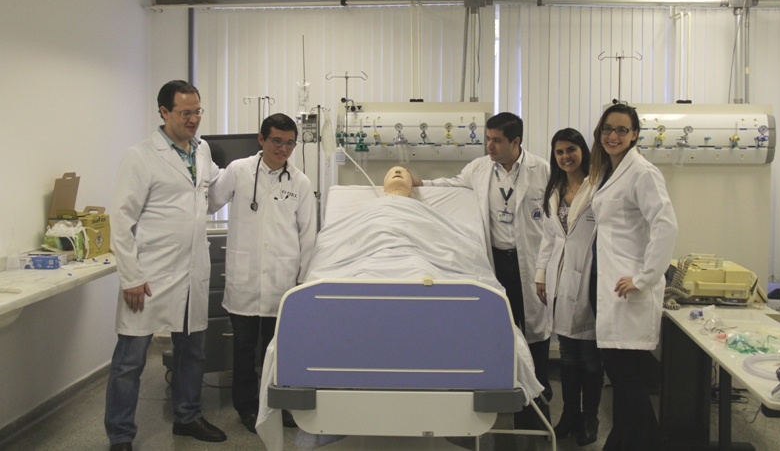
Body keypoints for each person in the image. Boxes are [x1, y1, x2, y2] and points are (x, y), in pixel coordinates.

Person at [254, 166, 545, 451]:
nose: (397, 172)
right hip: (365, 262)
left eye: (403, 171)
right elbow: (336, 243)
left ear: (413, 183)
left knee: (422, 271)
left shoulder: (432, 216)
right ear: (381, 185)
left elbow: (458, 245)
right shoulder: (363, 214)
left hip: (425, 262)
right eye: (392, 171)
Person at [105, 80, 225, 451]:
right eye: (185, 112)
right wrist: (132, 277)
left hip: (192, 271)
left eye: (197, 111)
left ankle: (187, 417)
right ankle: (121, 436)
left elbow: (214, 194)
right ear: (164, 112)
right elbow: (121, 220)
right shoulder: (140, 156)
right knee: (130, 360)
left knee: (193, 351)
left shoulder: (202, 151)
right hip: (150, 275)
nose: (193, 119)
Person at [412, 112, 552, 426]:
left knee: (536, 333)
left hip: (530, 264)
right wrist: (422, 185)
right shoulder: (479, 168)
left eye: (497, 140)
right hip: (496, 262)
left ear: (516, 142)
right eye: (487, 138)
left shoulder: (541, 170)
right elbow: (452, 186)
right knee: (502, 330)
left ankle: (538, 401)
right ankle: (508, 397)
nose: (489, 145)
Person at [208, 113, 316, 433]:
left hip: (282, 284)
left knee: (277, 352)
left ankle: (278, 406)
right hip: (244, 280)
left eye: (289, 143)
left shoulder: (300, 182)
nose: (283, 149)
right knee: (243, 350)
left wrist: (303, 283)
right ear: (261, 139)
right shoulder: (238, 171)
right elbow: (210, 201)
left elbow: (307, 235)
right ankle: (246, 406)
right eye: (277, 141)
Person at [588, 103, 678, 451]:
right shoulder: (610, 171)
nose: (613, 136)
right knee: (626, 381)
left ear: (635, 134)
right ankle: (621, 442)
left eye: (622, 130)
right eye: (607, 129)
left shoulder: (642, 172)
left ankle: (649, 442)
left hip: (629, 289)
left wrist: (644, 277)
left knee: (627, 383)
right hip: (612, 286)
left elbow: (665, 225)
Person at [535, 128, 603, 446]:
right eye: (560, 152)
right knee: (566, 357)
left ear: (583, 151)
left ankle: (590, 419)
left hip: (589, 278)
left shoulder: (598, 185)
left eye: (571, 149)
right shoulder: (554, 189)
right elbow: (549, 238)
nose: (566, 156)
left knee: (589, 358)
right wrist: (540, 275)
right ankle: (569, 415)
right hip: (559, 281)